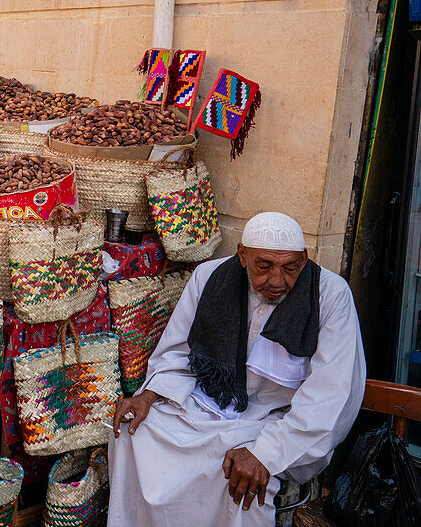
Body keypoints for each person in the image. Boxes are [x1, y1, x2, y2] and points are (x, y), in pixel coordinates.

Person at [107, 212, 366, 527]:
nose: (277, 280)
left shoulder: (331, 294)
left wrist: (265, 454)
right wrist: (148, 395)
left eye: (290, 267)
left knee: (235, 471)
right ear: (242, 255)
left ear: (304, 259)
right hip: (210, 401)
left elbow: (331, 396)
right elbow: (179, 351)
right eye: (264, 266)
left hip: (279, 420)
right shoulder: (209, 276)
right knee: (131, 433)